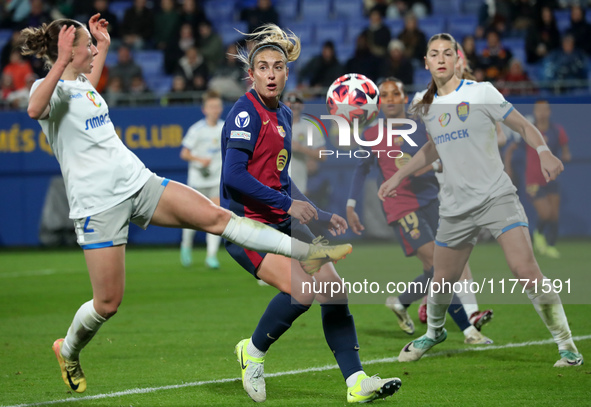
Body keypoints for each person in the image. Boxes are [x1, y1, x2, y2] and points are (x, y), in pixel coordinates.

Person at [20, 15, 352, 395]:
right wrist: (60, 61)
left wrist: (105, 44)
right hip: (98, 206)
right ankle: (69, 348)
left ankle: (308, 250)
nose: (93, 51)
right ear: (67, 50)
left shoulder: (80, 86)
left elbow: (83, 91)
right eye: (88, 46)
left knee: (217, 216)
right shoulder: (46, 90)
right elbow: (34, 110)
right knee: (108, 302)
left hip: (138, 182)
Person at [378, 33, 583, 367]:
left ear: (458, 59)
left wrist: (544, 151)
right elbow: (433, 147)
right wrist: (398, 176)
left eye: (448, 53)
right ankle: (434, 333)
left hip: (496, 198)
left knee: (526, 271)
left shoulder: (482, 92)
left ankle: (567, 347)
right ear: (427, 62)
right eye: (434, 54)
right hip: (456, 208)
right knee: (442, 279)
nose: (441, 59)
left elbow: (523, 126)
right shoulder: (425, 105)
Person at [221, 24, 401, 403]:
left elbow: (280, 179)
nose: (271, 73)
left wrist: (317, 213)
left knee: (333, 289)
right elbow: (233, 177)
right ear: (250, 74)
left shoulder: (284, 116)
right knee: (303, 292)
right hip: (248, 226)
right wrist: (288, 205)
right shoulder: (245, 113)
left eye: (278, 67)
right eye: (264, 67)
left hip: (284, 223)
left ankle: (356, 382)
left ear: (288, 73)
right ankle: (251, 353)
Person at [346, 77, 492, 345]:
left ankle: (401, 302)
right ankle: (469, 330)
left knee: (439, 268)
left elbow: (443, 158)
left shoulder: (422, 128)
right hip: (401, 207)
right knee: (441, 267)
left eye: (395, 93)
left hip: (432, 201)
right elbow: (361, 168)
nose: (390, 98)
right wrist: (351, 204)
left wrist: (430, 167)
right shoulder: (371, 134)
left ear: (404, 99)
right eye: (384, 94)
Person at [504, 100, 570, 259]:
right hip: (533, 180)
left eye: (544, 110)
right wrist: (508, 167)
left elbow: (566, 152)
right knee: (546, 213)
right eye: (538, 110)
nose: (541, 113)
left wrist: (564, 158)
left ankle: (550, 245)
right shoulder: (530, 131)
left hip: (552, 178)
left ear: (549, 112)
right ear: (534, 112)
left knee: (554, 214)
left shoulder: (557, 131)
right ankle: (538, 235)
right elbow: (510, 149)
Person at [180, 90, 225, 269]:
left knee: (216, 216)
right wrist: (200, 160)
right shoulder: (197, 130)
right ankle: (186, 247)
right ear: (204, 109)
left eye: (218, 106)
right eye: (212, 107)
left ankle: (211, 256)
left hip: (216, 181)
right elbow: (184, 153)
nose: (215, 110)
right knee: (192, 218)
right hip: (198, 181)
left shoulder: (225, 128)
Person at [284, 92, 326, 195]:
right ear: (283, 104)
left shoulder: (310, 126)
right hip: (277, 187)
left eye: (297, 101)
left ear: (302, 105)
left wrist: (301, 149)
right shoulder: (274, 125)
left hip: (301, 187)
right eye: (289, 100)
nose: (293, 104)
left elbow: (323, 155)